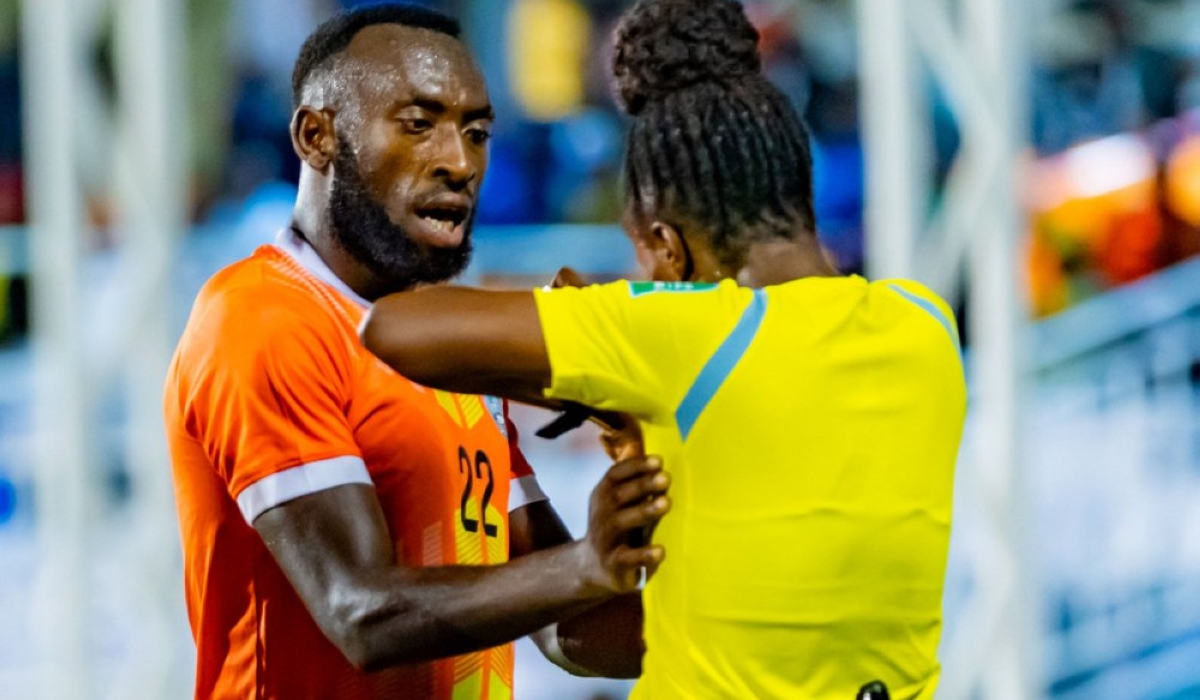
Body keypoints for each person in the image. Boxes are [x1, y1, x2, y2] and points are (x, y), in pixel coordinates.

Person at [359, 0, 968, 698]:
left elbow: (395, 328)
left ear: (668, 248)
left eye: (642, 256)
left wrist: (588, 358)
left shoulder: (678, 334)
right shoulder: (924, 325)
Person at [162, 5, 669, 700]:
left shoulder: (448, 353)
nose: (460, 162)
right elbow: (362, 613)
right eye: (418, 123)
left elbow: (573, 631)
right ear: (317, 136)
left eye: (477, 131)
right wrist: (586, 563)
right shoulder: (261, 314)